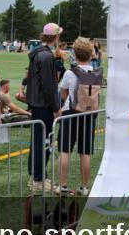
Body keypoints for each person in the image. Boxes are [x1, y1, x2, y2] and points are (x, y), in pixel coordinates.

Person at [56, 37, 99, 196]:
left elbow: (63, 94)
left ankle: (63, 185)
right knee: (85, 152)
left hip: (71, 112)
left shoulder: (70, 73)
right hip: (89, 113)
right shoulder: (95, 72)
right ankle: (84, 187)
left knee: (65, 150)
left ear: (74, 53)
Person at [25, 23, 62, 191]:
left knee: (38, 141)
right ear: (55, 37)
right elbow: (48, 85)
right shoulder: (46, 56)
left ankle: (35, 176)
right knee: (44, 142)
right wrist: (55, 107)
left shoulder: (39, 53)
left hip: (37, 103)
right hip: (44, 105)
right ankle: (38, 179)